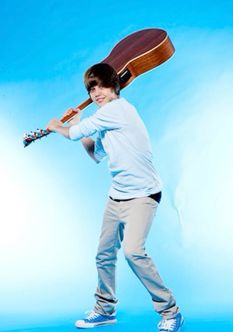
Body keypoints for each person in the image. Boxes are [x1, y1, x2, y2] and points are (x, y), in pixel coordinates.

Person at [47, 63, 184, 332]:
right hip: (117, 196)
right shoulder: (104, 119)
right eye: (92, 88)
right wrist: (75, 123)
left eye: (102, 86)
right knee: (104, 254)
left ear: (115, 86)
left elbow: (74, 136)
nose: (97, 92)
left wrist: (57, 127)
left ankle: (171, 311)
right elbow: (95, 154)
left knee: (134, 251)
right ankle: (104, 309)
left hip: (142, 195)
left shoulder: (118, 110)